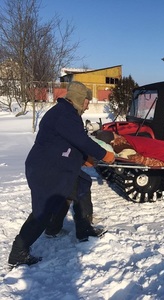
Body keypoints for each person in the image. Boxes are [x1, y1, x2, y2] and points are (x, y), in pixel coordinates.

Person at [8, 81, 115, 268]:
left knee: (82, 184)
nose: (88, 104)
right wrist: (103, 154)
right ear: (79, 99)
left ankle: (79, 229)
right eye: (87, 100)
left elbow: (69, 142)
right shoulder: (64, 115)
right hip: (46, 170)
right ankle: (19, 252)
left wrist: (83, 160)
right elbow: (81, 140)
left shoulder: (66, 113)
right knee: (42, 211)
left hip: (59, 166)